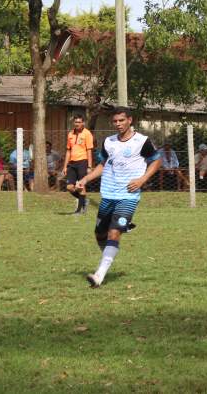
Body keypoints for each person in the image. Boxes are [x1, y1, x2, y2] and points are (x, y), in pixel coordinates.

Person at [75, 107, 161, 288]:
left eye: (121, 120)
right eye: (115, 121)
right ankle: (110, 250)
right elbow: (103, 165)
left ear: (130, 120)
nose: (118, 124)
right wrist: (85, 179)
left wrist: (142, 179)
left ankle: (99, 275)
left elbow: (156, 160)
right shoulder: (109, 142)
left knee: (113, 233)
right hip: (108, 194)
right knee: (100, 234)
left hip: (128, 196)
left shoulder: (142, 141)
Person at [62, 115, 94, 214]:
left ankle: (79, 210)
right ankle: (84, 201)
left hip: (82, 162)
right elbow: (68, 151)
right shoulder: (70, 134)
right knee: (69, 187)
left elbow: (89, 150)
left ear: (83, 123)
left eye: (79, 122)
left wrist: (89, 166)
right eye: (76, 122)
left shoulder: (87, 134)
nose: (77, 124)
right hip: (72, 163)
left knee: (81, 186)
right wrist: (65, 166)